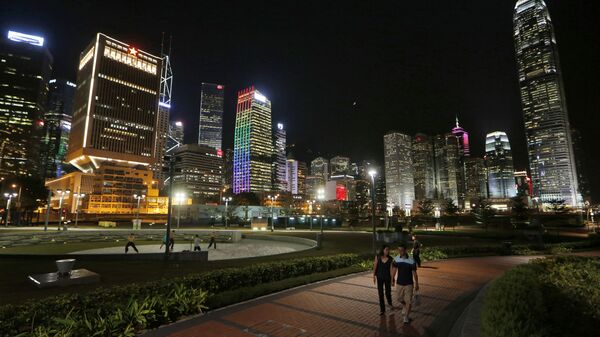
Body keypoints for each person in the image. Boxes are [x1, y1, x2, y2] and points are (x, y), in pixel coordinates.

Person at [391, 244, 419, 324]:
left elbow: (414, 273)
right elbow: (394, 270)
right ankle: (404, 306)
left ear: (405, 250)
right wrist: (392, 279)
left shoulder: (411, 260)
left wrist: (417, 284)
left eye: (402, 250)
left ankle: (406, 317)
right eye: (399, 250)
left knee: (409, 301)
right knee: (399, 299)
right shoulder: (396, 259)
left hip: (409, 284)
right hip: (399, 283)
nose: (400, 252)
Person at [373, 244, 394, 315]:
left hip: (387, 278)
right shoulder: (378, 257)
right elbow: (375, 266)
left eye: (388, 250)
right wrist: (373, 276)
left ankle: (390, 303)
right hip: (380, 278)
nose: (388, 251)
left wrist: (392, 280)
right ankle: (382, 310)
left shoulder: (391, 259)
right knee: (380, 293)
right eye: (386, 249)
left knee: (388, 293)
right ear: (383, 250)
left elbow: (391, 271)